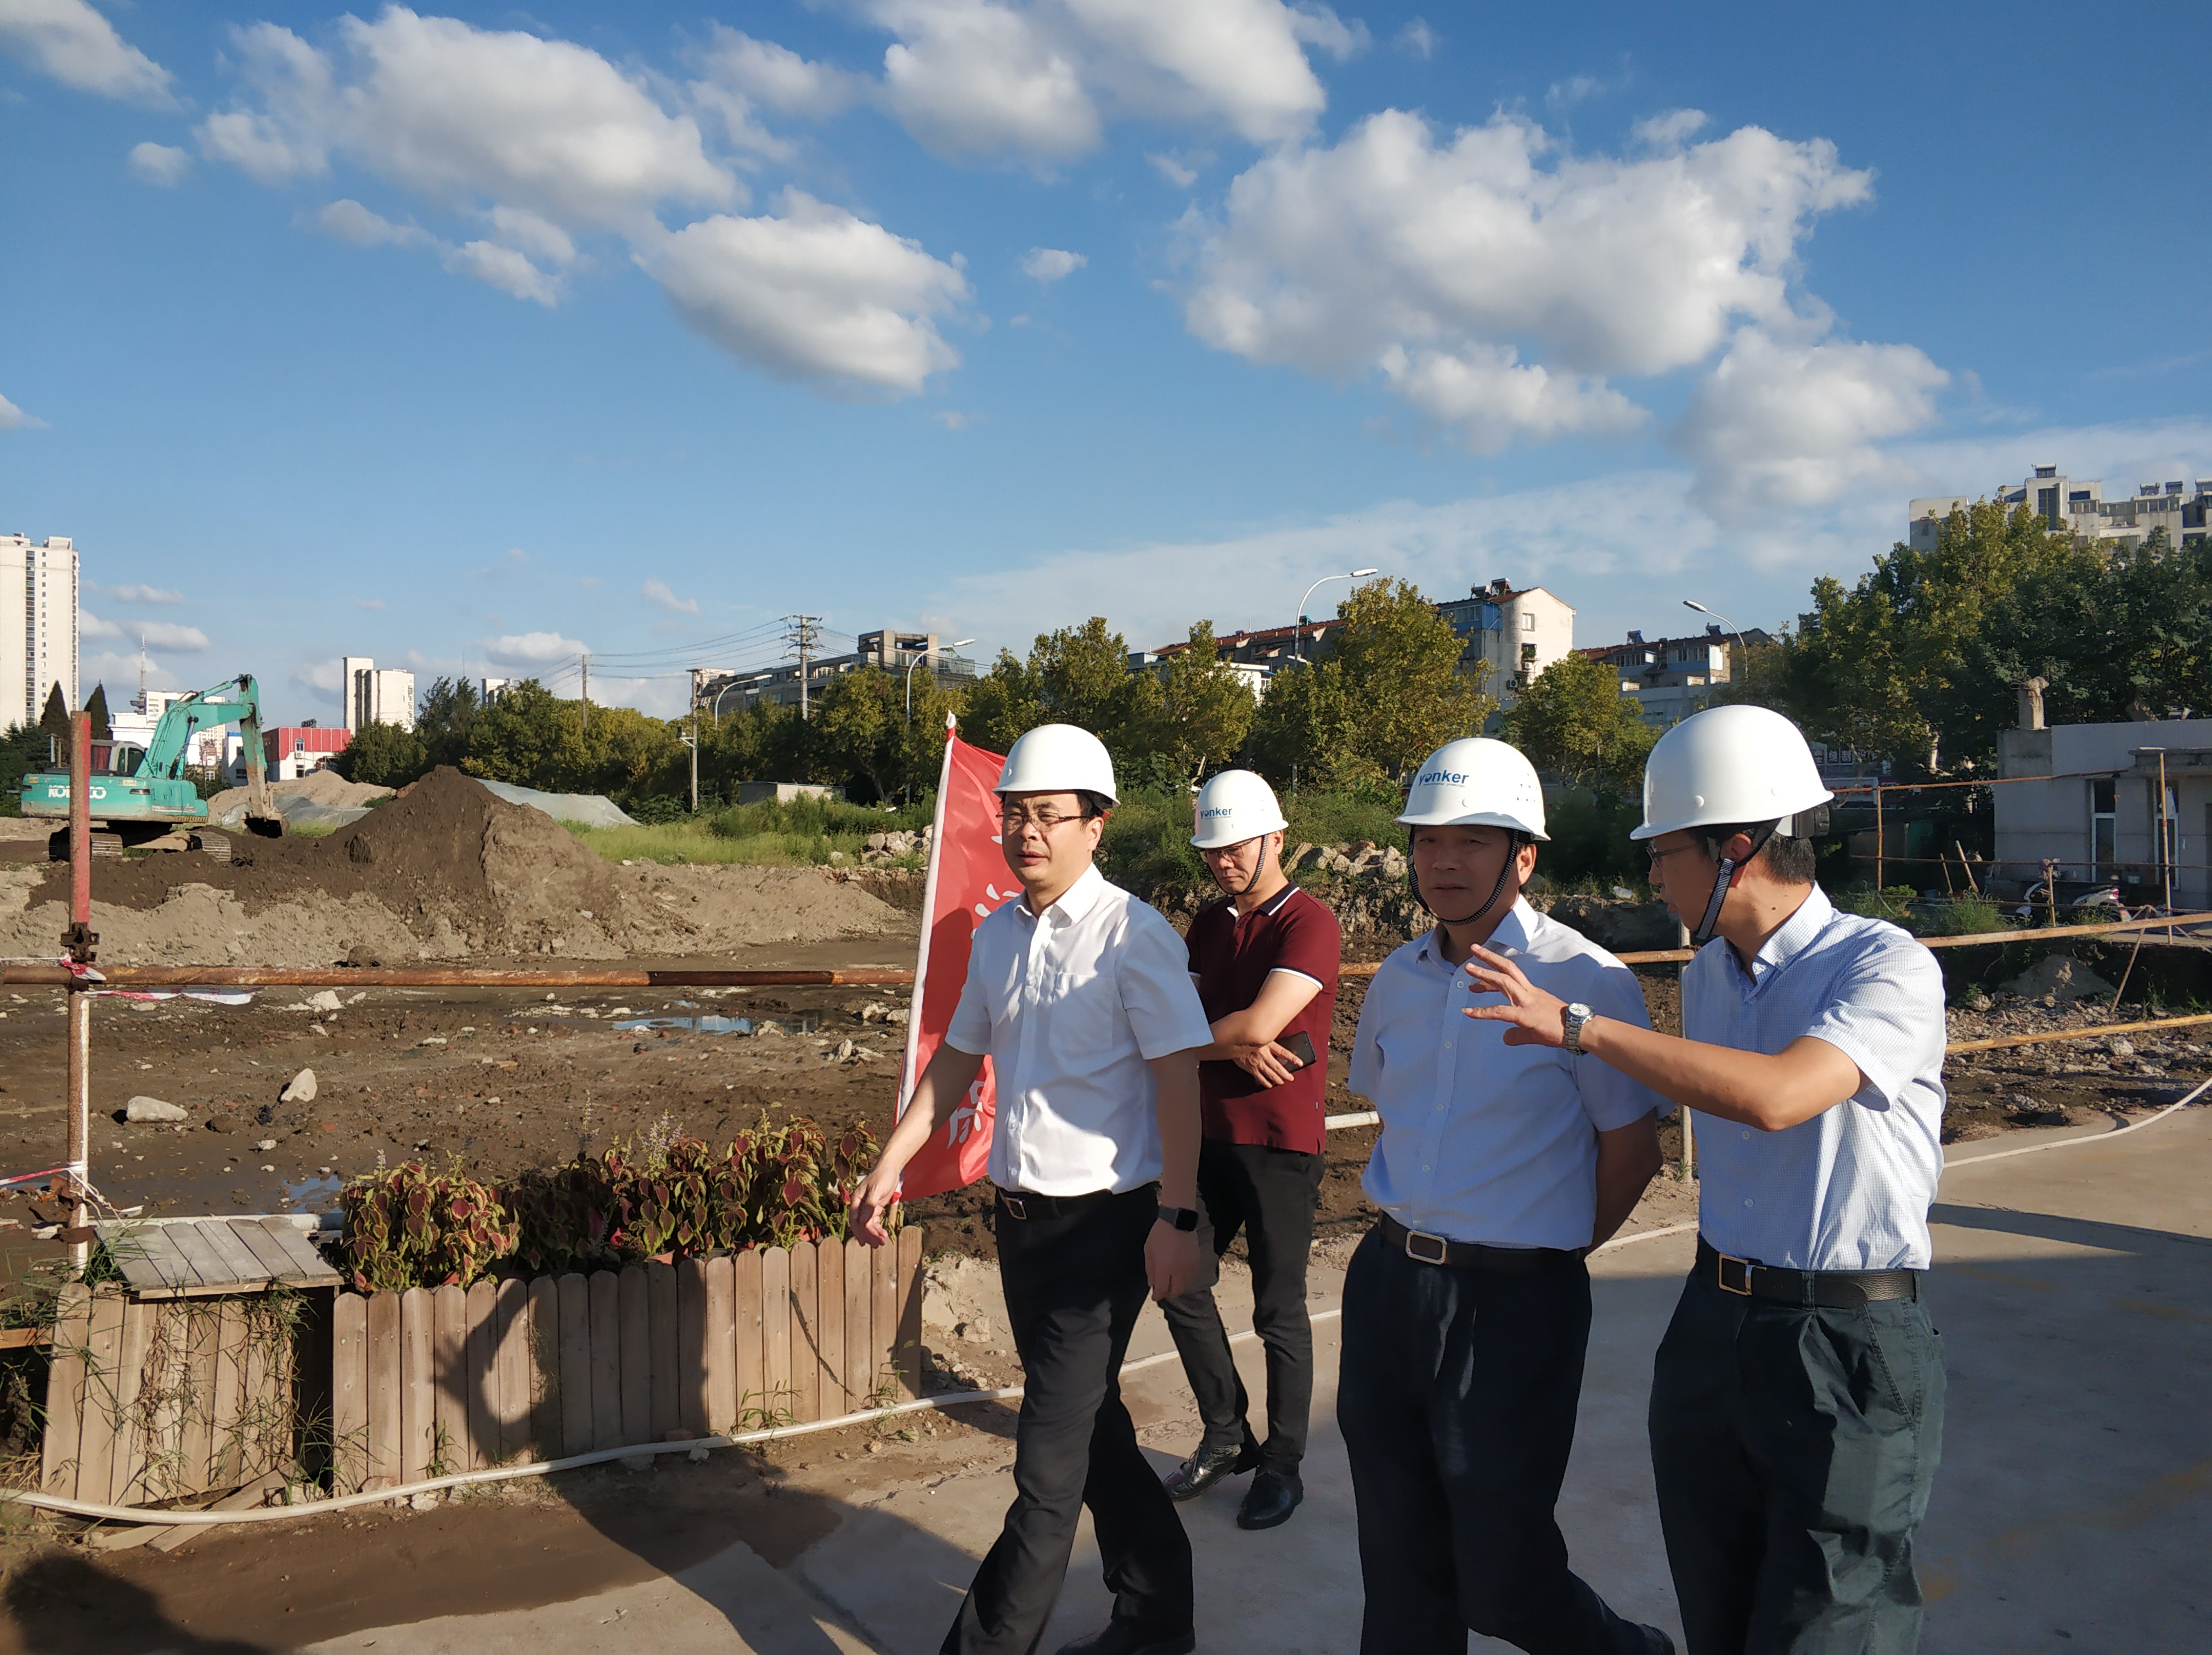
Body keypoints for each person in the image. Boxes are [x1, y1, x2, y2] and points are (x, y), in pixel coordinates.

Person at [1462, 703, 1948, 1655]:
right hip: (1716, 1319)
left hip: (1845, 1334)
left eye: (1664, 851)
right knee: (1714, 1590)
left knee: (1827, 1615)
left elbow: (1777, 1098)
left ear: (1736, 846)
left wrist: (1577, 1026)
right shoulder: (1712, 975)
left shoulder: (1883, 964)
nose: (1651, 874)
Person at [851, 723, 1214, 1655]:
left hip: (1109, 1229)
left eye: (1051, 816)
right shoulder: (997, 939)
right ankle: (1158, 1612)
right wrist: (892, 1163)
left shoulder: (1136, 937)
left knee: (1046, 1476)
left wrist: (1179, 1215)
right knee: (1091, 1436)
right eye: (1016, 815)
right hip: (1022, 1229)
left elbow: (1179, 1080)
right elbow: (956, 1063)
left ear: (1098, 826)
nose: (1028, 833)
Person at [1339, 737, 1675, 1655]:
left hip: (1516, 1301)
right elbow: (1391, 1112)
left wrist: (1552, 1250)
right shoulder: (1399, 979)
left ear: (1524, 856)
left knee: (1501, 1568)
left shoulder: (1587, 980)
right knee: (1399, 1554)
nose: (1444, 862)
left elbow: (1632, 1149)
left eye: (1474, 842)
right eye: (1428, 841)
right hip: (1390, 1282)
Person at [1156, 769, 1341, 1531]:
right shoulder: (1207, 923)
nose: (1224, 859)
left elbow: (1259, 1024)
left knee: (1277, 1310)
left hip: (1278, 1143)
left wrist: (1221, 1039)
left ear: (1277, 837)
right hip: (1203, 1137)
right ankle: (1229, 1432)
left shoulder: (1310, 923)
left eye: (1237, 845)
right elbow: (1181, 1021)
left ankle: (1285, 1465)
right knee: (1175, 1281)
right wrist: (1230, 1045)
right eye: (1212, 848)